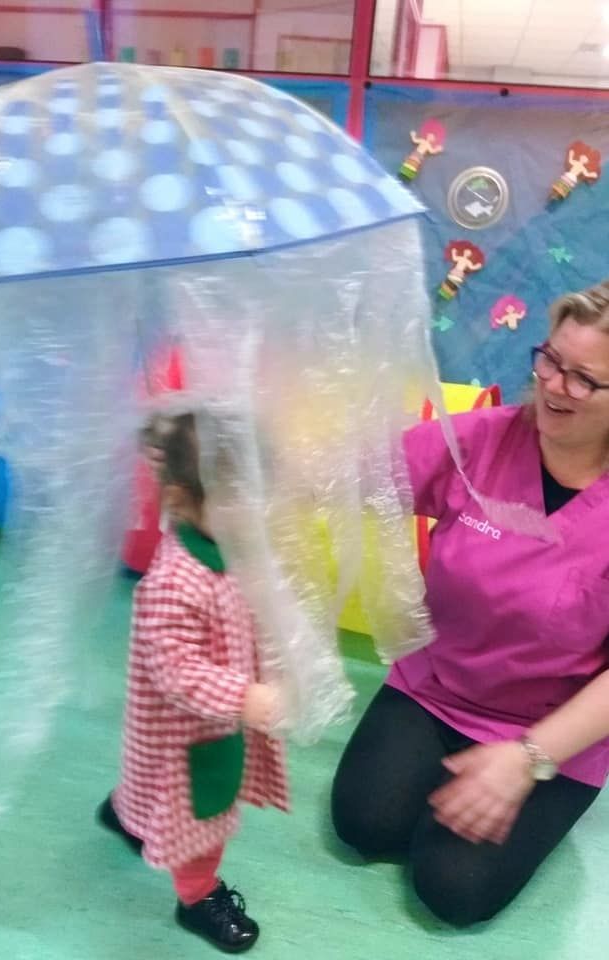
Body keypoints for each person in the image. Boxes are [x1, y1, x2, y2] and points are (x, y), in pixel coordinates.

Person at [331, 280, 609, 926]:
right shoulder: (482, 441)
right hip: (440, 685)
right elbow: (359, 471)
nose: (554, 385)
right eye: (549, 360)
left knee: (454, 890)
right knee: (364, 826)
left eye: (584, 379)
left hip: (555, 726)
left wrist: (528, 759)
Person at [97, 410, 288, 953]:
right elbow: (178, 671)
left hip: (190, 727)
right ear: (182, 499)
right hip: (193, 733)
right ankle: (198, 895)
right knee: (202, 817)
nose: (250, 514)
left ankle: (127, 812)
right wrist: (243, 697)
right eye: (234, 502)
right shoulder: (175, 581)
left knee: (147, 784)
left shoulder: (221, 541)